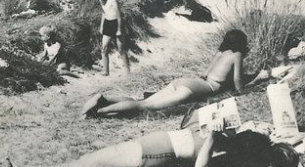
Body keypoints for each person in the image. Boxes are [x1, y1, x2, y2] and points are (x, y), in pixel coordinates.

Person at [82, 29, 285, 118]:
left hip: (189, 81)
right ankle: (98, 112)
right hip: (198, 88)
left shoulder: (221, 51)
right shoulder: (237, 55)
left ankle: (105, 98)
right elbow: (239, 85)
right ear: (240, 43)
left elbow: (209, 73)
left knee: (144, 100)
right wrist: (258, 81)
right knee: (146, 106)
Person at [19, 121, 248, 167]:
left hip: (152, 153)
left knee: (90, 162)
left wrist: (213, 137)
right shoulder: (223, 133)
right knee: (91, 158)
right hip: (149, 145)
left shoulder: (221, 147)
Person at [91, 0, 130, 76]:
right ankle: (106, 71)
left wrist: (119, 30)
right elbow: (104, 12)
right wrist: (101, 26)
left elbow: (119, 16)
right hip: (108, 24)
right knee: (103, 48)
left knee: (121, 49)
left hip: (116, 23)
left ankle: (128, 71)